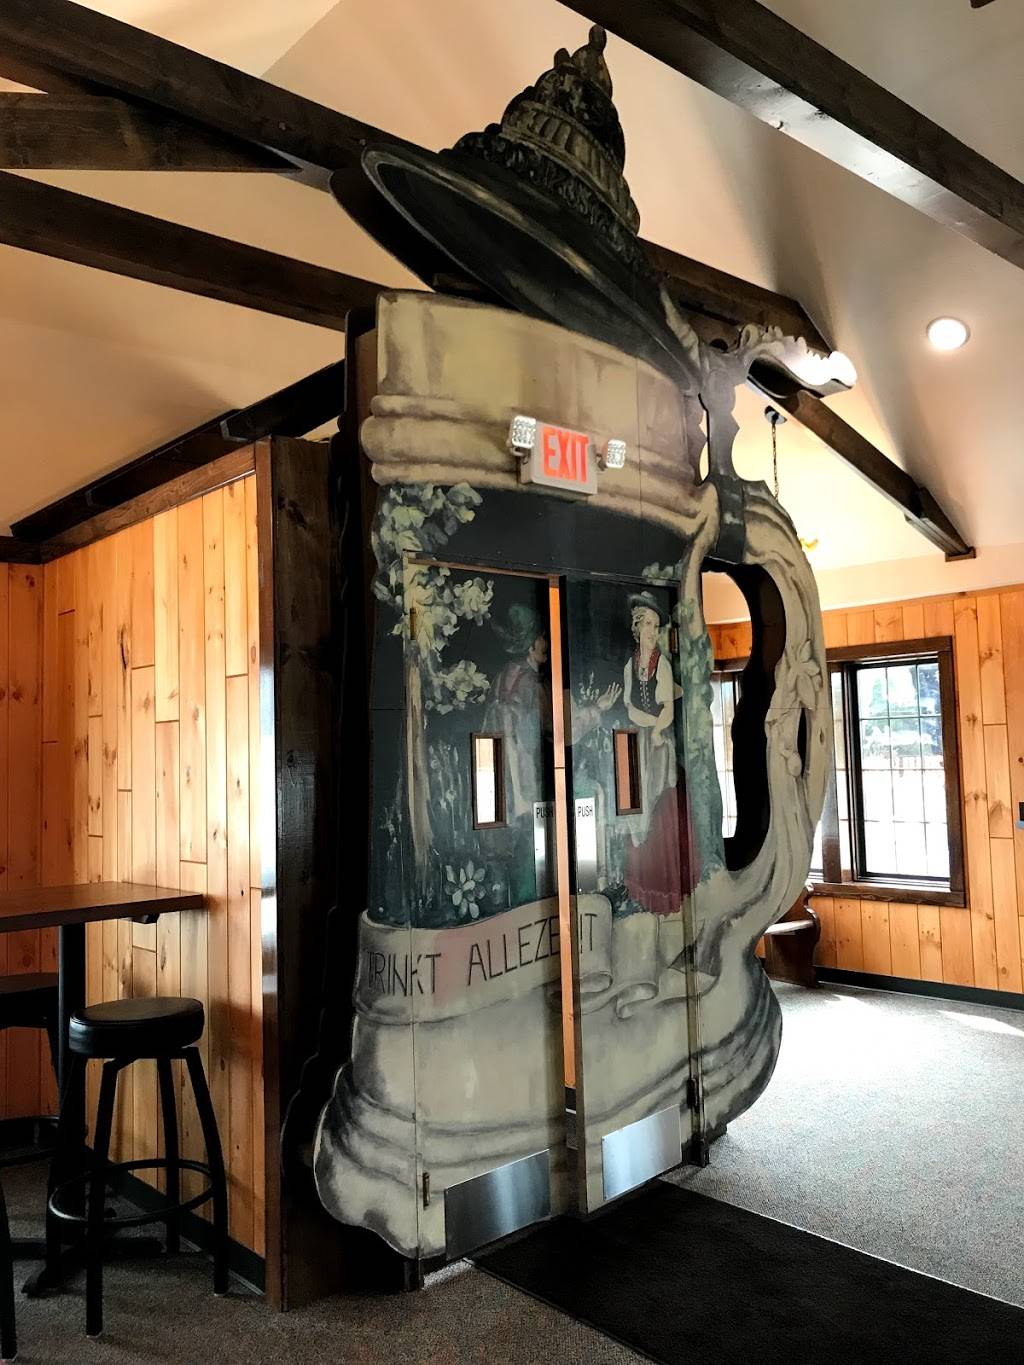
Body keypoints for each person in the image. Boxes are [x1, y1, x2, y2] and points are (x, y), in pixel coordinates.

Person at [621, 592, 689, 915]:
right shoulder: (630, 666)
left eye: (656, 625)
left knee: (657, 804)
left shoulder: (661, 664)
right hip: (638, 742)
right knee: (636, 806)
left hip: (658, 744)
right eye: (647, 624)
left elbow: (667, 712)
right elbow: (629, 707)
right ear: (637, 628)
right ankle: (638, 890)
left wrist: (656, 730)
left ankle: (663, 892)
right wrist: (646, 724)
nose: (652, 631)